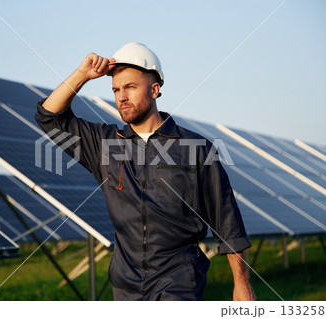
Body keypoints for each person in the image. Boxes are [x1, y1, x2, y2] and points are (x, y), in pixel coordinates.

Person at [35, 42, 256, 301]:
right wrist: (82, 74)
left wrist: (241, 284)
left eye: (130, 87)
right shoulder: (104, 145)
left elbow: (226, 220)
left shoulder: (196, 148)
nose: (121, 96)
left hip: (179, 283)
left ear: (154, 90)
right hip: (125, 287)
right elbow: (49, 117)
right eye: (116, 89)